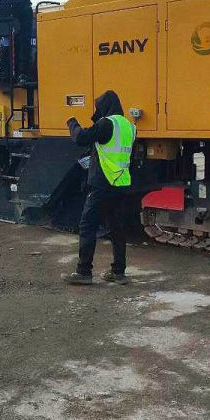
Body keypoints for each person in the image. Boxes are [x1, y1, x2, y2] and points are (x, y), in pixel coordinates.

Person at [64, 90, 136, 285]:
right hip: (121, 183)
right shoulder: (129, 126)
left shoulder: (107, 124)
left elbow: (80, 138)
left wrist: (72, 123)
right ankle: (118, 272)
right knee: (116, 228)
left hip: (103, 183)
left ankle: (84, 272)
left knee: (87, 225)